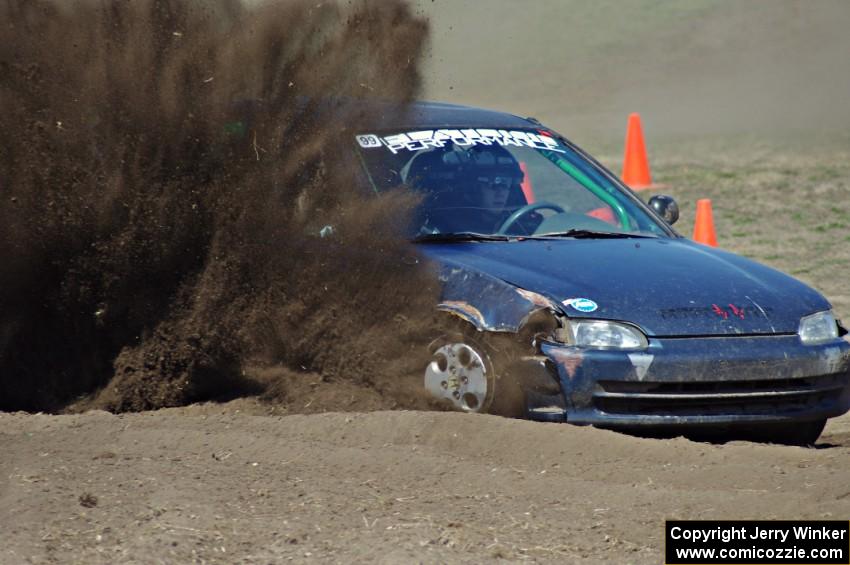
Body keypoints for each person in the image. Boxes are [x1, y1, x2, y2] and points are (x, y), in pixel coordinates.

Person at [404, 144, 536, 235]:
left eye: (506, 183)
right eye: (493, 183)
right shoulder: (450, 231)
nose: (501, 191)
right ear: (473, 189)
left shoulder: (524, 225)